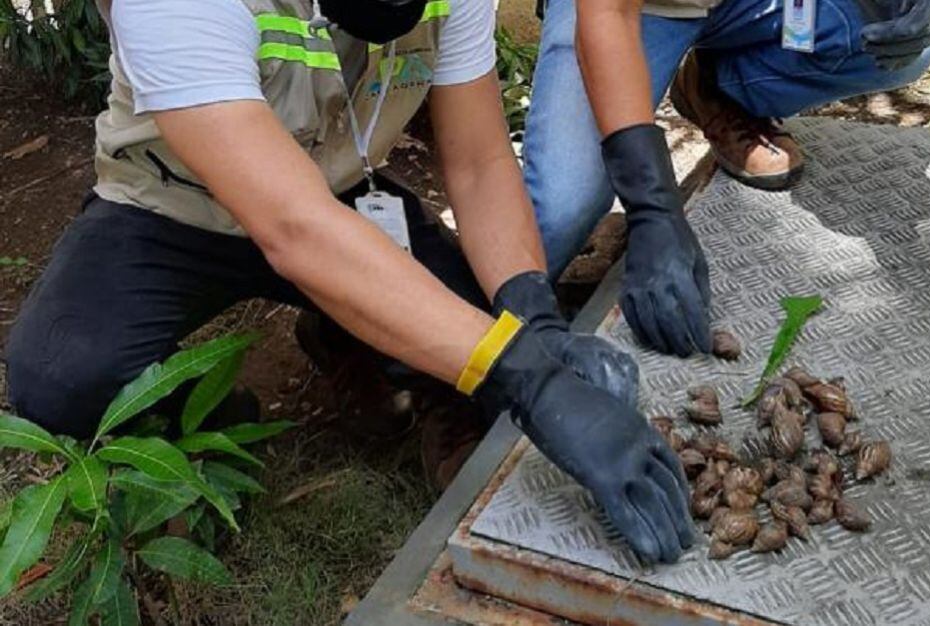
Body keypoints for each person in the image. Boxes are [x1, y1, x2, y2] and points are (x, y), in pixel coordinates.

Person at [3, 0, 695, 564]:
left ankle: (360, 347)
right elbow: (294, 227)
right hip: (173, 206)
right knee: (60, 374)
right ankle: (204, 415)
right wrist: (531, 378)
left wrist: (534, 322)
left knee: (486, 336)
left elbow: (482, 161)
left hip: (337, 196)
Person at [523, 0, 930, 355]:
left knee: (904, 27)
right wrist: (652, 204)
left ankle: (718, 87)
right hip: (630, 10)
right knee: (563, 208)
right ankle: (487, 347)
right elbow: (608, 12)